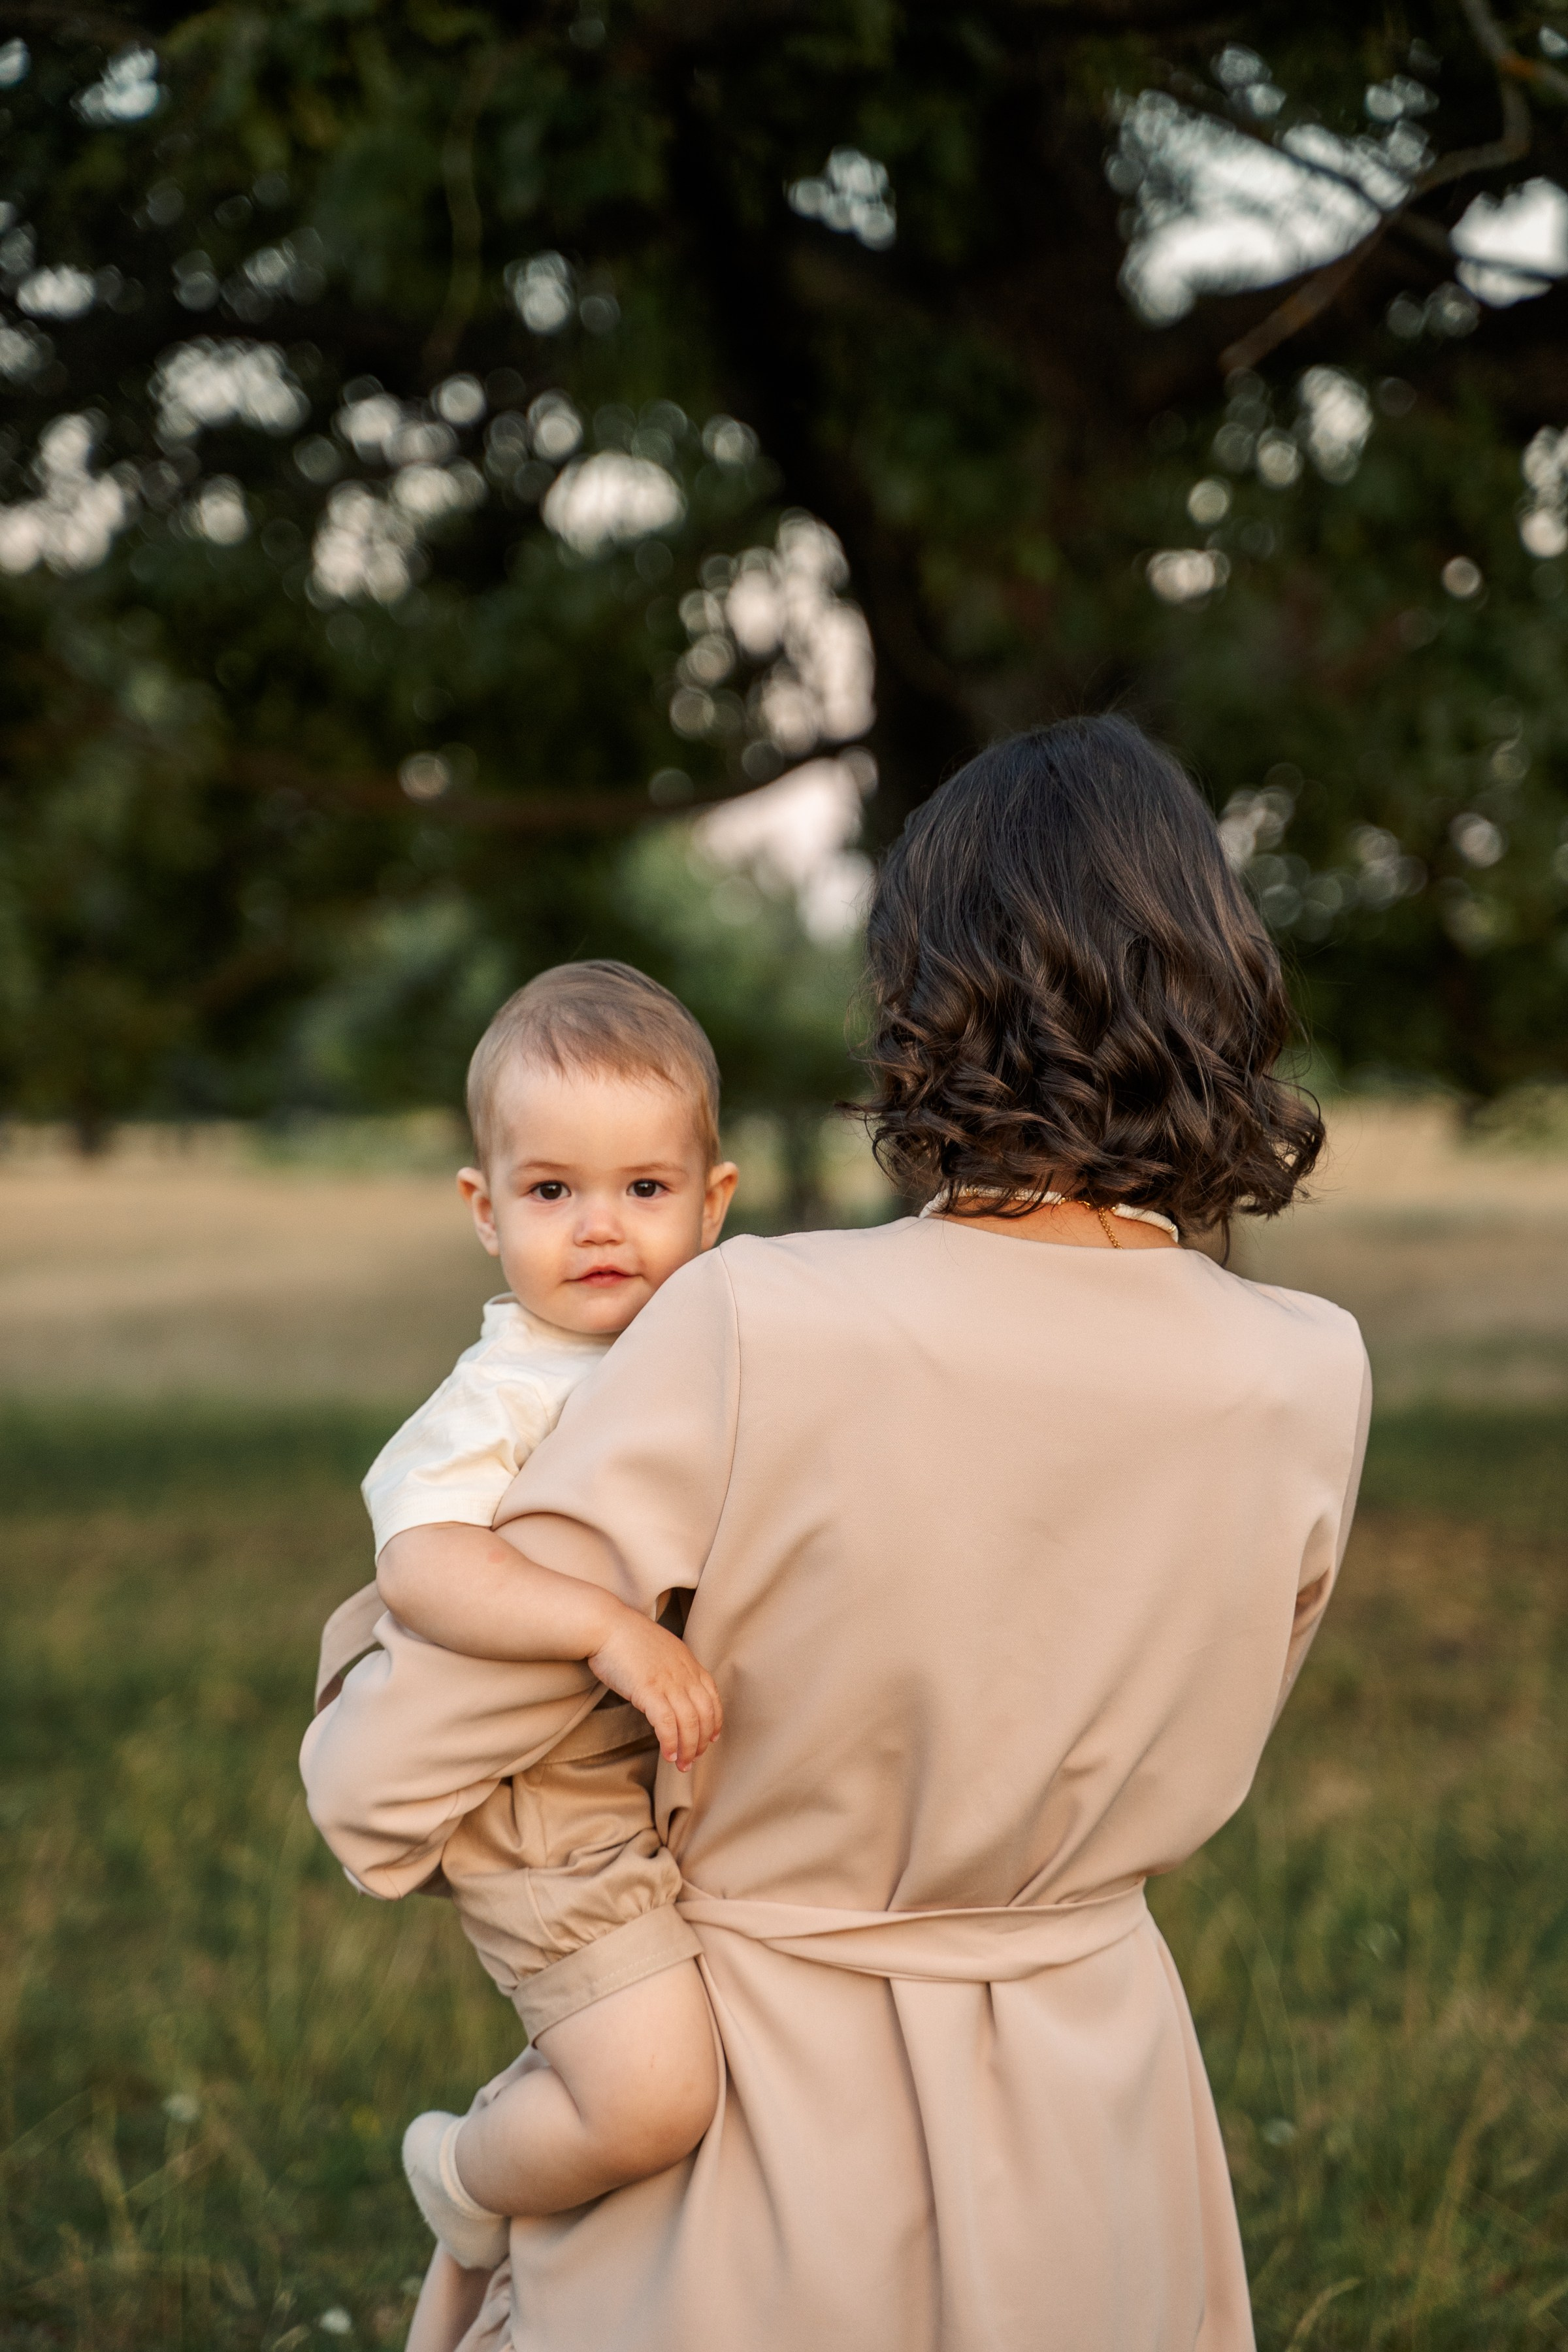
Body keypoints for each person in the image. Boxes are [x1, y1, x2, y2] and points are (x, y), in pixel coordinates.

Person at [309, 714, 1371, 2352]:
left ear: (921, 999)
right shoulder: (1310, 1371)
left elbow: (385, 1775)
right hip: (1104, 2120)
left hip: (756, 2140)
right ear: (1216, 985)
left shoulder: (758, 1324)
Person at [303, 960, 736, 2289]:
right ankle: (468, 2174)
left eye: (645, 1190)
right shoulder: (507, 1390)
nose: (601, 1227)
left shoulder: (716, 1344)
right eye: (553, 1192)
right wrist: (603, 1627)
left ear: (714, 1204)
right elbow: (426, 1563)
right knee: (656, 2096)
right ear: (486, 1213)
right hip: (541, 1808)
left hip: (658, 1775)